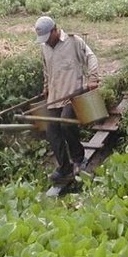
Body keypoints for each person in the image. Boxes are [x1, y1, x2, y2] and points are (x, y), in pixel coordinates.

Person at [34, 16, 100, 180]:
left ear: (55, 30)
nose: (47, 41)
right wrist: (46, 86)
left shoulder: (73, 41)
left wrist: (93, 78)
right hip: (55, 96)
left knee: (66, 124)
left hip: (73, 94)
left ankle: (79, 159)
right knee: (51, 131)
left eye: (48, 37)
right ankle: (65, 167)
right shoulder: (45, 47)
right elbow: (46, 70)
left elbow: (91, 57)